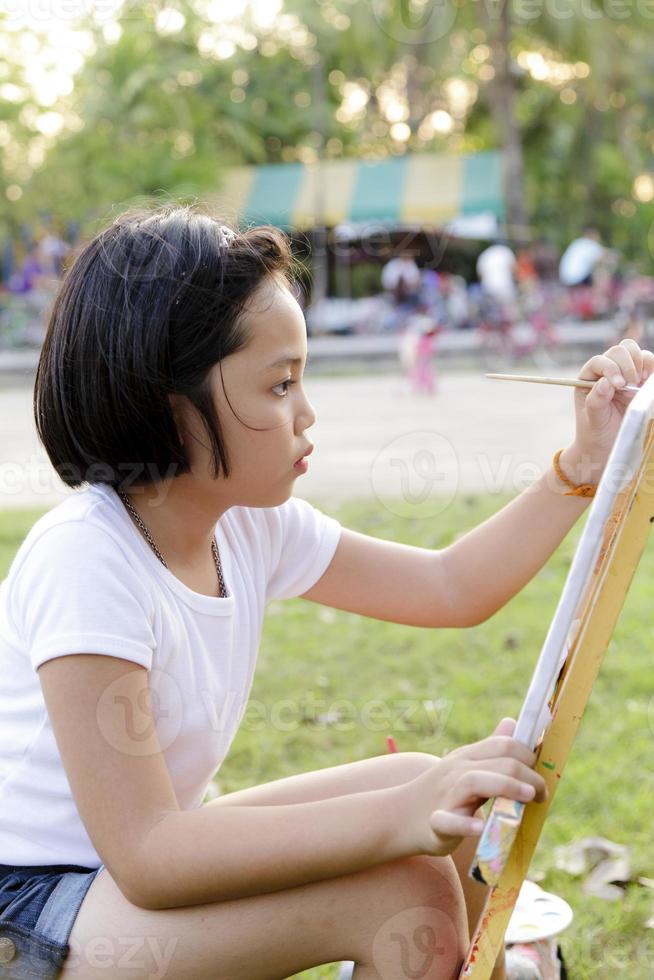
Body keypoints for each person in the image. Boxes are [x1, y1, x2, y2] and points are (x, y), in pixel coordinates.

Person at [0, 203, 650, 980]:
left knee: (445, 800)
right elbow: (148, 854)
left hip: (121, 877)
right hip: (33, 909)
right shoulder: (86, 557)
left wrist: (581, 463)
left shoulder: (246, 527)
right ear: (171, 408)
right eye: (280, 386)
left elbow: (450, 587)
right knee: (403, 896)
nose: (308, 414)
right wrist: (399, 820)